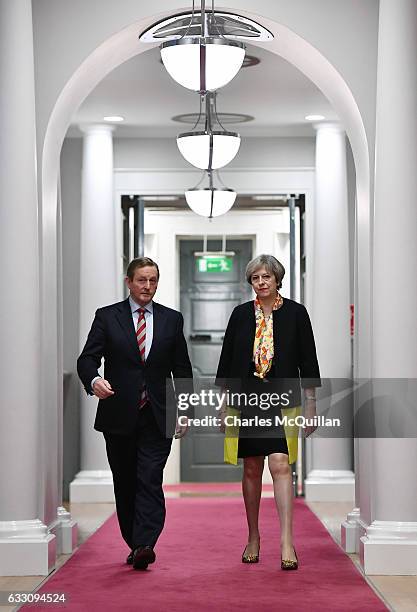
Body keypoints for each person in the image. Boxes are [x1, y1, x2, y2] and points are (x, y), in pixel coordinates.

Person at [77, 257, 193, 570]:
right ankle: (134, 541)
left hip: (157, 414)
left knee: (150, 478)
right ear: (129, 281)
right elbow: (87, 359)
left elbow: (181, 368)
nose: (148, 286)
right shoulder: (107, 316)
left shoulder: (172, 319)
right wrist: (94, 380)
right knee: (126, 481)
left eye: (153, 280)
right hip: (118, 413)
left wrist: (184, 409)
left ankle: (145, 543)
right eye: (142, 280)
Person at [215, 254, 320, 570]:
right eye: (255, 278)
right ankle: (253, 536)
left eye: (266, 277)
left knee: (280, 462)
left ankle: (287, 540)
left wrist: (311, 404)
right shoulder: (240, 315)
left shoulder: (296, 314)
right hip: (246, 396)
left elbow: (309, 360)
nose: (261, 283)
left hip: (282, 396)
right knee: (250, 466)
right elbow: (227, 360)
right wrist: (223, 405)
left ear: (277, 280)